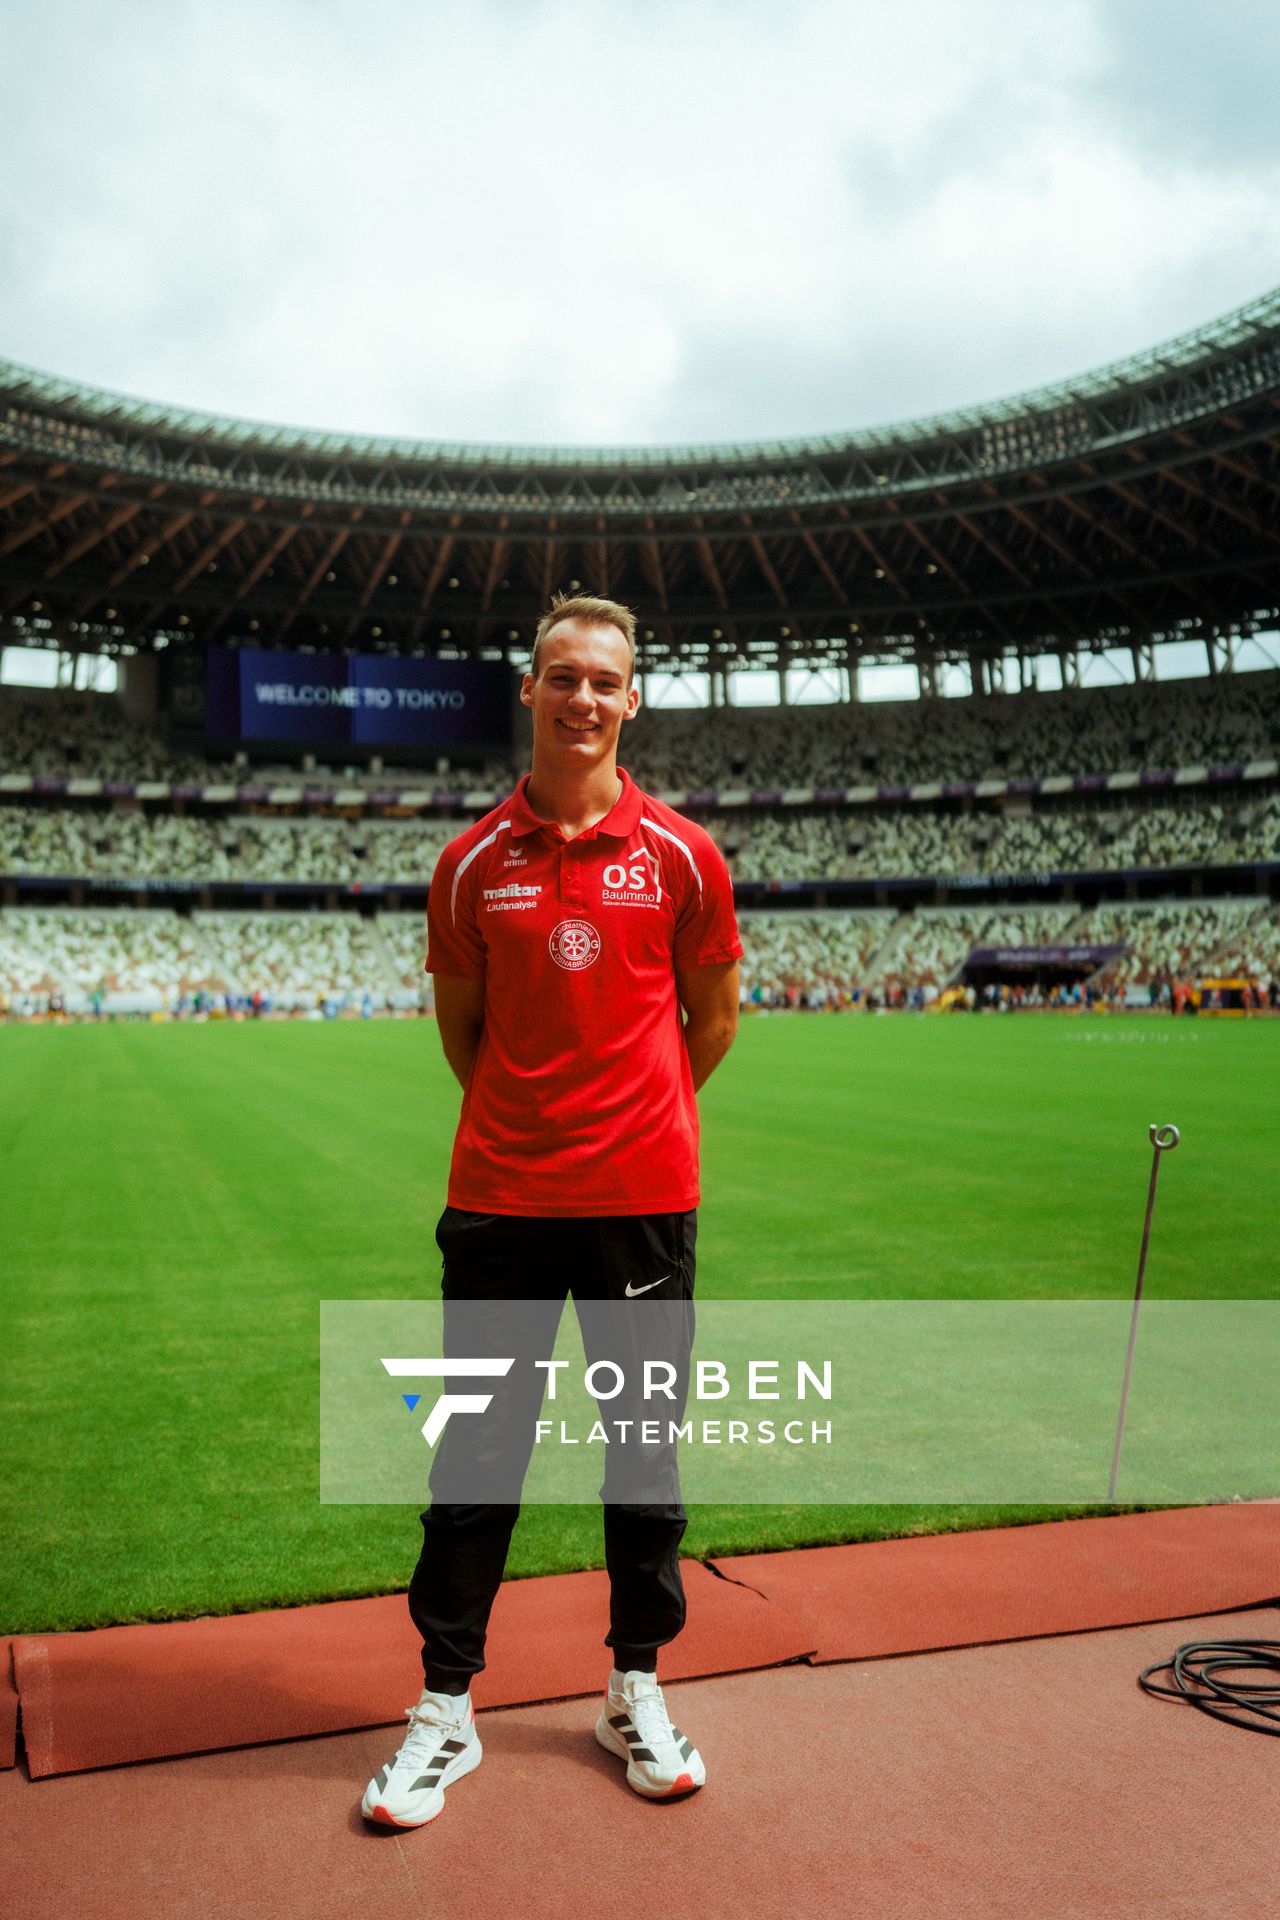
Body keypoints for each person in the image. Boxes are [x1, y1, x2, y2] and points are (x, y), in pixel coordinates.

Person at [362, 595, 741, 1830]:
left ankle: (634, 1688)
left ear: (632, 702)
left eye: (605, 682)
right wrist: (534, 1127)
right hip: (500, 1204)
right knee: (473, 1461)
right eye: (560, 675)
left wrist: (630, 1126)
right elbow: (463, 1036)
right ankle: (444, 1709)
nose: (583, 698)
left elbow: (712, 1020)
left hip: (641, 1206)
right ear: (527, 690)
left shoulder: (683, 854)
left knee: (643, 1464)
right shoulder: (469, 862)